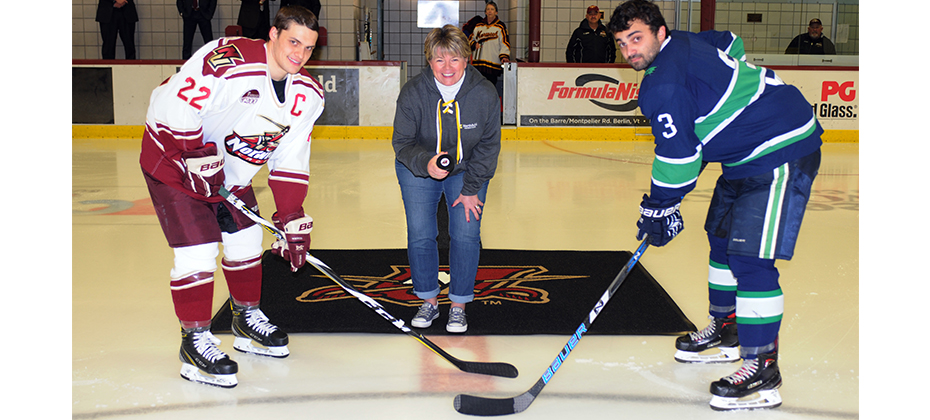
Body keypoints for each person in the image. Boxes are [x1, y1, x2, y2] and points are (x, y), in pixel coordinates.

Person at [608, 0, 822, 411]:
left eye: (636, 38)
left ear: (660, 32)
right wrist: (728, 104)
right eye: (622, 43)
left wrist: (659, 206)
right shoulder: (686, 43)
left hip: (782, 147)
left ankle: (762, 368)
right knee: (721, 237)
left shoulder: (663, 86)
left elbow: (680, 161)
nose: (630, 51)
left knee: (751, 258)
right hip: (743, 154)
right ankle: (727, 329)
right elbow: (731, 43)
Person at [139, 5, 324, 388]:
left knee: (246, 241)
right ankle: (194, 340)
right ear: (272, 35)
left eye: (308, 48)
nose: (300, 54)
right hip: (174, 161)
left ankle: (245, 318)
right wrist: (194, 155)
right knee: (199, 251)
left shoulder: (307, 95)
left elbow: (290, 157)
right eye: (293, 42)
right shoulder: (228, 58)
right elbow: (174, 104)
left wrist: (290, 216)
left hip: (228, 173)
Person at [392, 24, 501, 334]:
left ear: (467, 59)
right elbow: (402, 142)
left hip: (468, 170)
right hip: (418, 167)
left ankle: (458, 304)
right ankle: (428, 299)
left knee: (466, 232)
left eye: (454, 59)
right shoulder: (413, 92)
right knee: (421, 233)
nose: (447, 68)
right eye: (439, 60)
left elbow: (489, 145)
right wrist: (424, 163)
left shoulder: (484, 93)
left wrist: (471, 189)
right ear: (429, 61)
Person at [468, 1, 511, 88]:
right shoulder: (479, 26)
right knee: (478, 87)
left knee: (491, 86)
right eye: (488, 9)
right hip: (479, 63)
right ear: (485, 12)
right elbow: (470, 40)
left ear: (496, 12)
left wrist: (504, 56)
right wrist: (474, 44)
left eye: (492, 9)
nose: (490, 11)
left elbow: (505, 42)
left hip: (493, 63)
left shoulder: (500, 26)